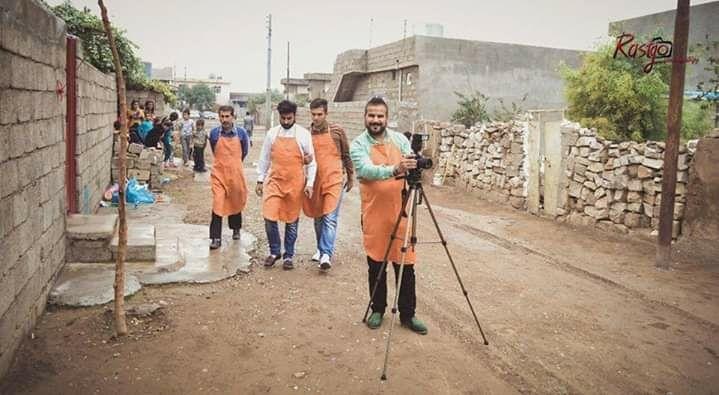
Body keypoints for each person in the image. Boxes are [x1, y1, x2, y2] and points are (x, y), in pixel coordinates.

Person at [350, 96, 427, 335]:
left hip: (401, 212)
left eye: (380, 116)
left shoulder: (399, 139)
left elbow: (409, 161)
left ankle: (408, 314)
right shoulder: (358, 145)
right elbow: (365, 170)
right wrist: (396, 169)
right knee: (377, 264)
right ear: (365, 117)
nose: (375, 120)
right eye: (371, 115)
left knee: (406, 265)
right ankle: (377, 309)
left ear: (386, 118)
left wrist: (413, 164)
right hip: (373, 214)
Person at [256, 100, 316, 270]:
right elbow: (264, 158)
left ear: (294, 116)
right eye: (283, 118)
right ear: (279, 116)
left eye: (289, 118)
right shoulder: (272, 134)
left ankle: (288, 255)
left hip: (295, 184)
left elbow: (312, 162)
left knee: (292, 220)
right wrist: (260, 179)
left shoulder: (304, 135)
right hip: (274, 181)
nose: (286, 122)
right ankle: (275, 251)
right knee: (269, 216)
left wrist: (310, 183)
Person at [302, 98, 354, 271]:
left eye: (320, 114)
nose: (316, 118)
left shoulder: (337, 131)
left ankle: (326, 254)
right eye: (313, 114)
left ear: (326, 113)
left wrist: (351, 176)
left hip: (334, 180)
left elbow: (346, 154)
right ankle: (320, 248)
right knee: (318, 217)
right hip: (315, 181)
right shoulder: (306, 134)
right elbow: (302, 158)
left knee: (330, 218)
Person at [208, 105, 250, 249]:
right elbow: (214, 150)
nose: (224, 119)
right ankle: (215, 238)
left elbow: (244, 151)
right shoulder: (213, 134)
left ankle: (236, 228)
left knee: (235, 199)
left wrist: (235, 164)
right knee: (218, 202)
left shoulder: (242, 133)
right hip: (219, 173)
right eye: (222, 116)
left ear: (233, 117)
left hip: (236, 173)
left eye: (227, 116)